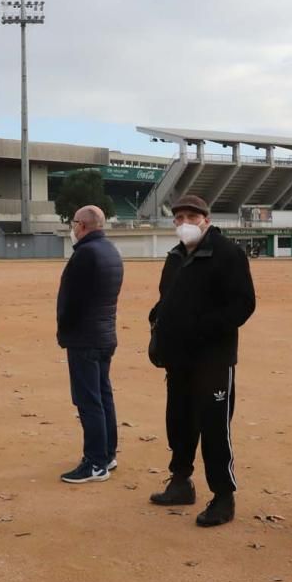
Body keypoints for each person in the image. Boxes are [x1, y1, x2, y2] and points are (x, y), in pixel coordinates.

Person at [147, 195, 256, 527]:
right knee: (178, 419)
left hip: (214, 359)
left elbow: (243, 305)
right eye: (178, 217)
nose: (184, 222)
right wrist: (157, 321)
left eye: (191, 216)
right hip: (178, 358)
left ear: (206, 219)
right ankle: (180, 480)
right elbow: (167, 299)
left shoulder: (227, 253)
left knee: (213, 426)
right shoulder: (176, 256)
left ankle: (223, 496)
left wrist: (202, 328)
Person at [55, 205, 124, 484]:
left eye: (74, 223)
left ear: (82, 225)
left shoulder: (85, 254)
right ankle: (107, 454)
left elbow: (73, 301)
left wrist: (64, 331)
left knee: (89, 400)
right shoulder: (110, 250)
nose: (72, 228)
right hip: (104, 334)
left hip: (85, 337)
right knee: (103, 396)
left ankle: (96, 462)